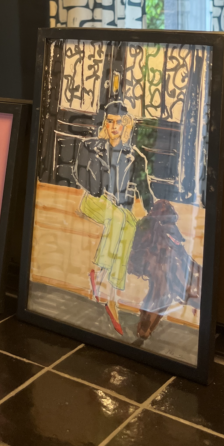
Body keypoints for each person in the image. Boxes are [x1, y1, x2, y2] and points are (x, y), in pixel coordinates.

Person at [74, 100, 154, 335]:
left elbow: (144, 189)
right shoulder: (90, 147)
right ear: (105, 124)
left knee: (130, 224)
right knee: (118, 218)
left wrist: (153, 212)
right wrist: (98, 190)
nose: (114, 126)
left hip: (118, 209)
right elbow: (78, 173)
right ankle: (100, 274)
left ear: (126, 125)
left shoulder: (134, 156)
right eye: (110, 121)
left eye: (119, 122)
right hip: (94, 201)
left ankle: (111, 294)